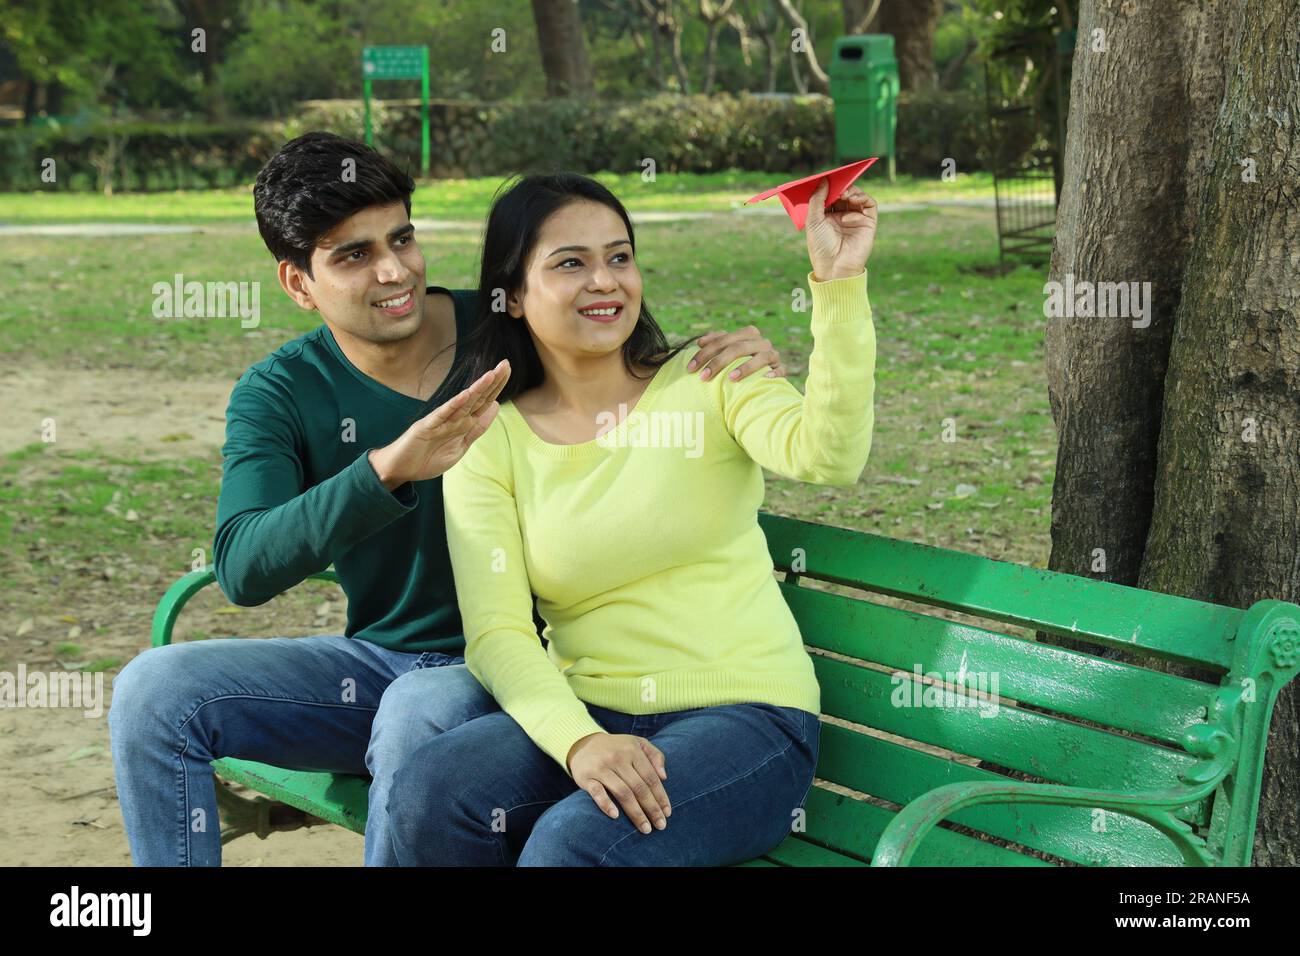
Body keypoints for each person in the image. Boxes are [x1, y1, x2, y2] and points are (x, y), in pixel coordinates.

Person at [107, 132, 788, 866]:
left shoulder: (511, 329)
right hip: (377, 663)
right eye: (354, 254)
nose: (394, 270)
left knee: (418, 715)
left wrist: (743, 360)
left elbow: (631, 359)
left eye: (401, 237)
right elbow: (242, 565)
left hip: (530, 672)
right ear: (299, 283)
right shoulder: (280, 391)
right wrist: (387, 470)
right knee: (154, 690)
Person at [385, 170, 878, 865]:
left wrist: (838, 285)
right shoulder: (487, 437)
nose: (605, 281)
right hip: (590, 713)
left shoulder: (711, 377)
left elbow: (830, 455)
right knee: (429, 790)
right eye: (570, 264)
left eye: (620, 257)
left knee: (574, 845)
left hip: (744, 718)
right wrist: (581, 741)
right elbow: (496, 632)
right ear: (515, 296)